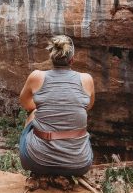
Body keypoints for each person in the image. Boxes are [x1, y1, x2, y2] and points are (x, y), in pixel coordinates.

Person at [18, 35, 95, 177]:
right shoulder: (87, 79)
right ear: (72, 59)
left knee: (33, 112)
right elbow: (88, 106)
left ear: (51, 58)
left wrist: (44, 105)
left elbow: (25, 103)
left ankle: (42, 156)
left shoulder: (36, 76)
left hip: (36, 162)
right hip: (79, 165)